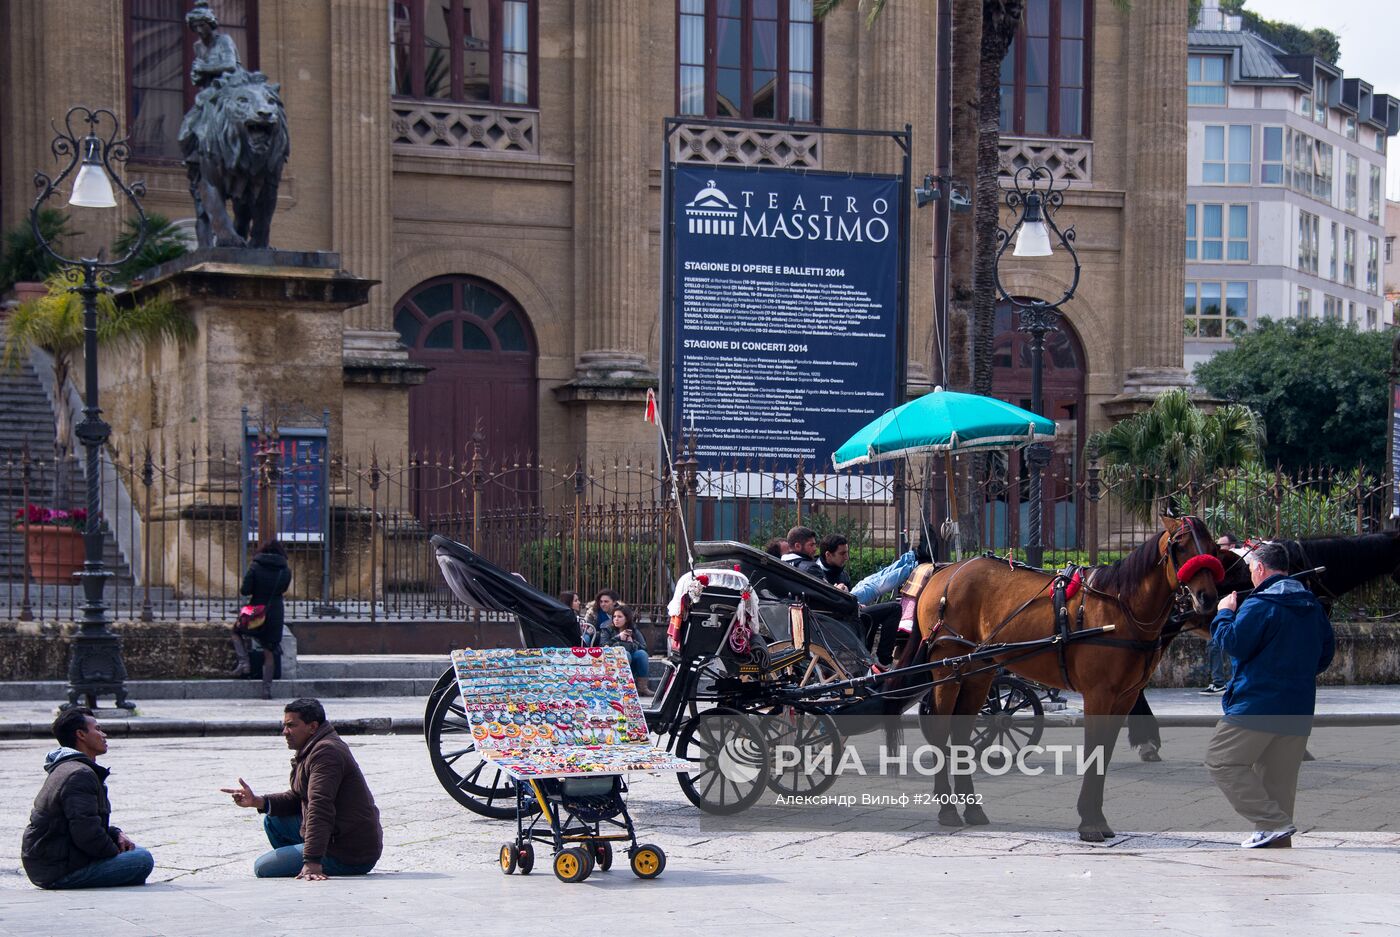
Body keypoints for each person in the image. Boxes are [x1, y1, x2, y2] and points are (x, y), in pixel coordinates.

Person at [1204, 541, 1334, 849]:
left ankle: (1273, 823)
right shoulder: (1312, 605)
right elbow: (1324, 656)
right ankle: (1275, 837)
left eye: (1250, 569)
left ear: (1260, 568)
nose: (1250, 575)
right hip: (1299, 706)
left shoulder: (1260, 604)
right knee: (1279, 780)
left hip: (1257, 704)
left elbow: (1233, 642)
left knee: (1220, 760)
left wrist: (1224, 614)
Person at [222, 698, 383, 879]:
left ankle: (313, 863)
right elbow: (299, 796)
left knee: (263, 867)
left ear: (312, 727)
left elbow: (319, 807)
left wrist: (312, 862)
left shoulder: (327, 753)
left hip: (350, 852)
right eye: (284, 725)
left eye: (291, 726)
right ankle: (301, 860)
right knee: (273, 821)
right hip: (334, 835)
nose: (285, 732)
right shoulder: (312, 747)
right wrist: (258, 801)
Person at [21, 708, 154, 890]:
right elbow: (87, 834)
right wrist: (115, 855)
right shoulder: (79, 774)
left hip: (50, 864)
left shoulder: (70, 767)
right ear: (81, 735)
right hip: (58, 871)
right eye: (98, 729)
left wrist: (115, 834)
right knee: (141, 859)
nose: (103, 734)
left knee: (133, 852)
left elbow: (84, 820)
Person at [237, 540, 293, 699]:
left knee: (235, 631)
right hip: (275, 610)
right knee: (269, 651)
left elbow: (245, 590)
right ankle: (266, 690)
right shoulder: (285, 570)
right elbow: (283, 589)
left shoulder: (255, 566)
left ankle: (244, 663)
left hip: (254, 608)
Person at [1201, 534, 1242, 694]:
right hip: (1226, 609)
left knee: (1223, 644)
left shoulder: (1237, 560)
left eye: (1221, 545)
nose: (1218, 549)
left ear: (1231, 546)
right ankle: (1221, 682)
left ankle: (1227, 682)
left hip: (1234, 610)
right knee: (1215, 644)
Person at [609, 606, 652, 695]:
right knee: (625, 654)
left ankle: (642, 687)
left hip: (632, 663)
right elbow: (603, 645)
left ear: (627, 619)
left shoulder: (634, 631)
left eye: (620, 617)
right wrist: (618, 638)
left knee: (642, 654)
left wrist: (633, 642)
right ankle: (623, 686)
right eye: (614, 616)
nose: (616, 619)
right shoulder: (607, 629)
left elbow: (644, 648)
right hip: (613, 664)